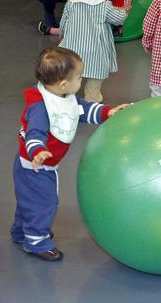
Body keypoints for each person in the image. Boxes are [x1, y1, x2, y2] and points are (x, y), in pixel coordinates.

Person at [10, 47, 129, 261]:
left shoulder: (63, 96)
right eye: (79, 77)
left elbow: (81, 109)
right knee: (44, 203)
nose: (81, 80)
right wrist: (37, 151)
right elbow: (34, 133)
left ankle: (21, 232)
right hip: (36, 166)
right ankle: (36, 242)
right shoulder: (41, 106)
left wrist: (107, 112)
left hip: (35, 165)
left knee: (29, 200)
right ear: (64, 84)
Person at [58, 0, 125, 103]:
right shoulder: (103, 4)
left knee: (72, 73)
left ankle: (68, 96)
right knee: (95, 76)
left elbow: (63, 23)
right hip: (96, 50)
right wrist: (124, 11)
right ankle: (92, 98)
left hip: (73, 48)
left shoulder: (71, 3)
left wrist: (63, 33)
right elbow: (118, 18)